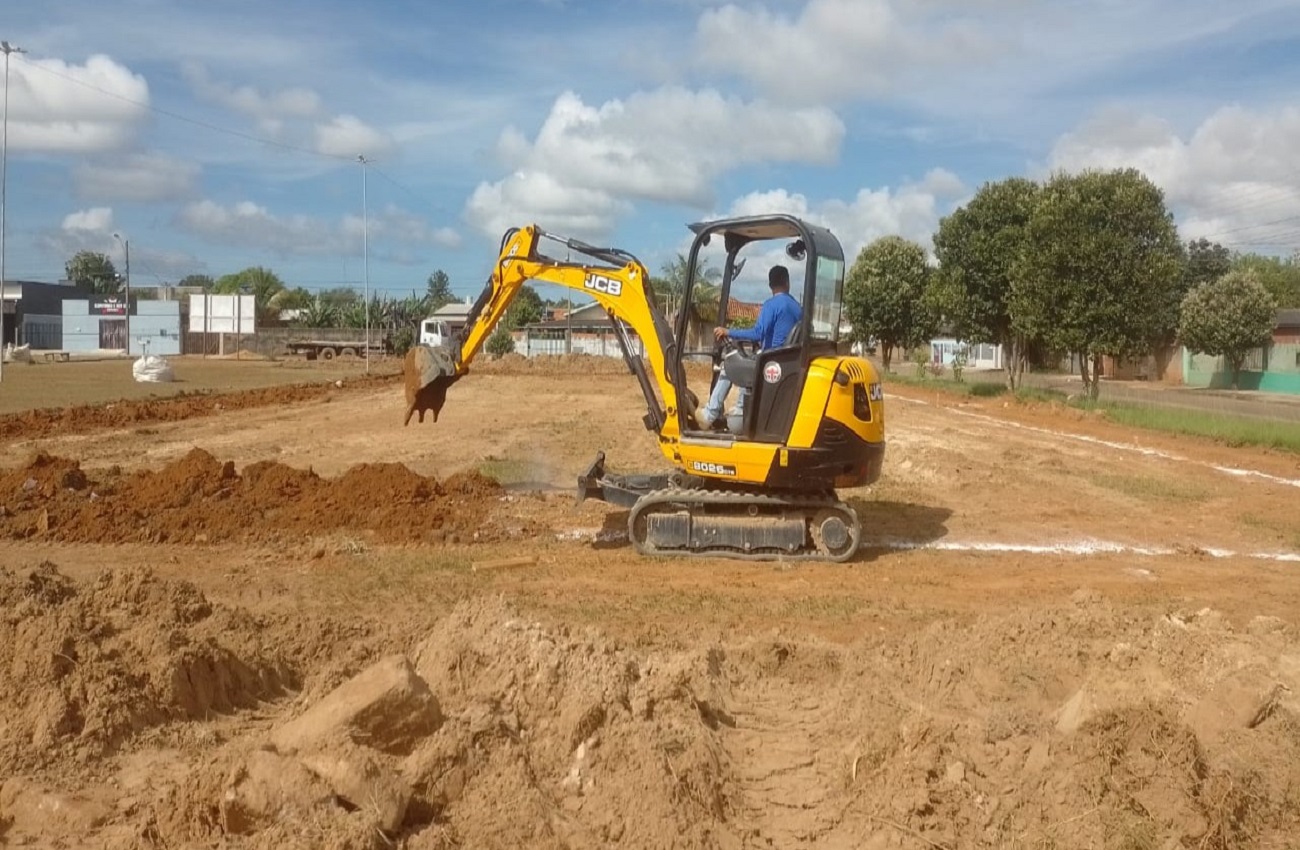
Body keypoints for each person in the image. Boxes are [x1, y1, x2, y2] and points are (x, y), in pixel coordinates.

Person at [698, 265, 802, 429]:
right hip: (786, 361)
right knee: (746, 363)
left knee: (729, 367)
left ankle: (710, 414)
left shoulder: (771, 305)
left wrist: (728, 331)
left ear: (770, 285)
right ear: (787, 282)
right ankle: (740, 410)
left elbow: (758, 333)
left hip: (769, 360)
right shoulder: (797, 308)